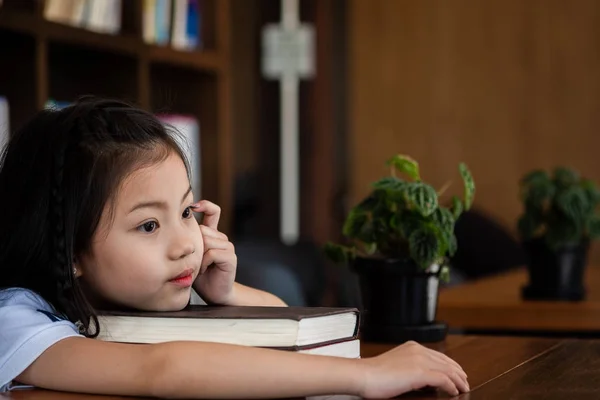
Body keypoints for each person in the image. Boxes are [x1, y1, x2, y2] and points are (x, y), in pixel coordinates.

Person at [0, 97, 469, 398]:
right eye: (148, 225)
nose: (184, 243)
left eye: (186, 212)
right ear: (70, 252)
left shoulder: (129, 292)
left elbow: (289, 331)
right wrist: (366, 375)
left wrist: (226, 296)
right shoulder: (13, 318)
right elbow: (164, 369)